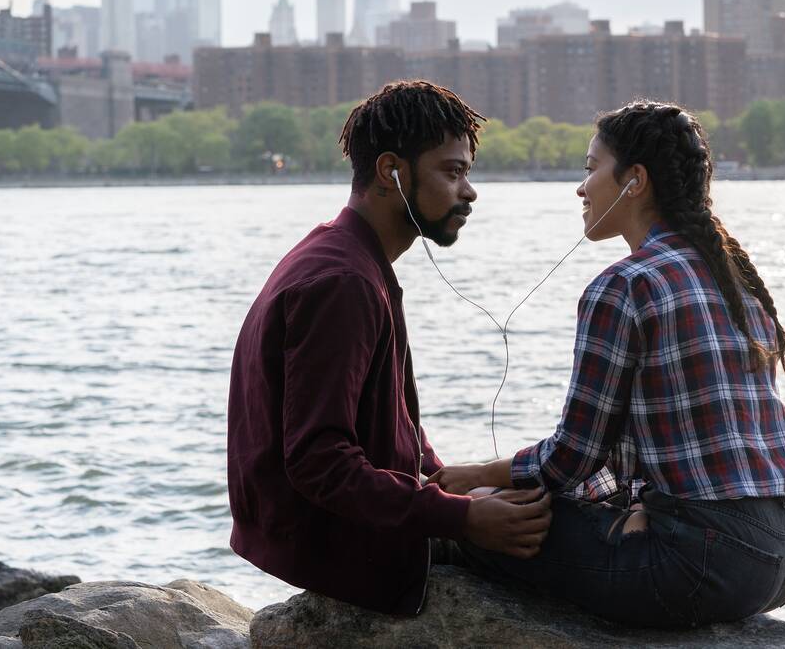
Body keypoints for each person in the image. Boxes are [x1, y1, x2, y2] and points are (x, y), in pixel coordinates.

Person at [434, 100, 785, 628]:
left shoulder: (626, 285)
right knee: (514, 503)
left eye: (591, 169)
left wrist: (474, 480)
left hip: (704, 563)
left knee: (478, 525)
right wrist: (640, 505)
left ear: (635, 181)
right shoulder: (732, 276)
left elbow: (572, 458)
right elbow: (677, 446)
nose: (581, 187)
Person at [226, 80, 553, 616]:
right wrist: (460, 520)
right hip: (346, 549)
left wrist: (447, 486)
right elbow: (317, 461)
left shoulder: (349, 254)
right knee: (574, 533)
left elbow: (391, 418)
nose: (469, 192)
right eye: (452, 172)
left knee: (529, 502)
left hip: (354, 527)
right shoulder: (342, 282)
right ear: (390, 172)